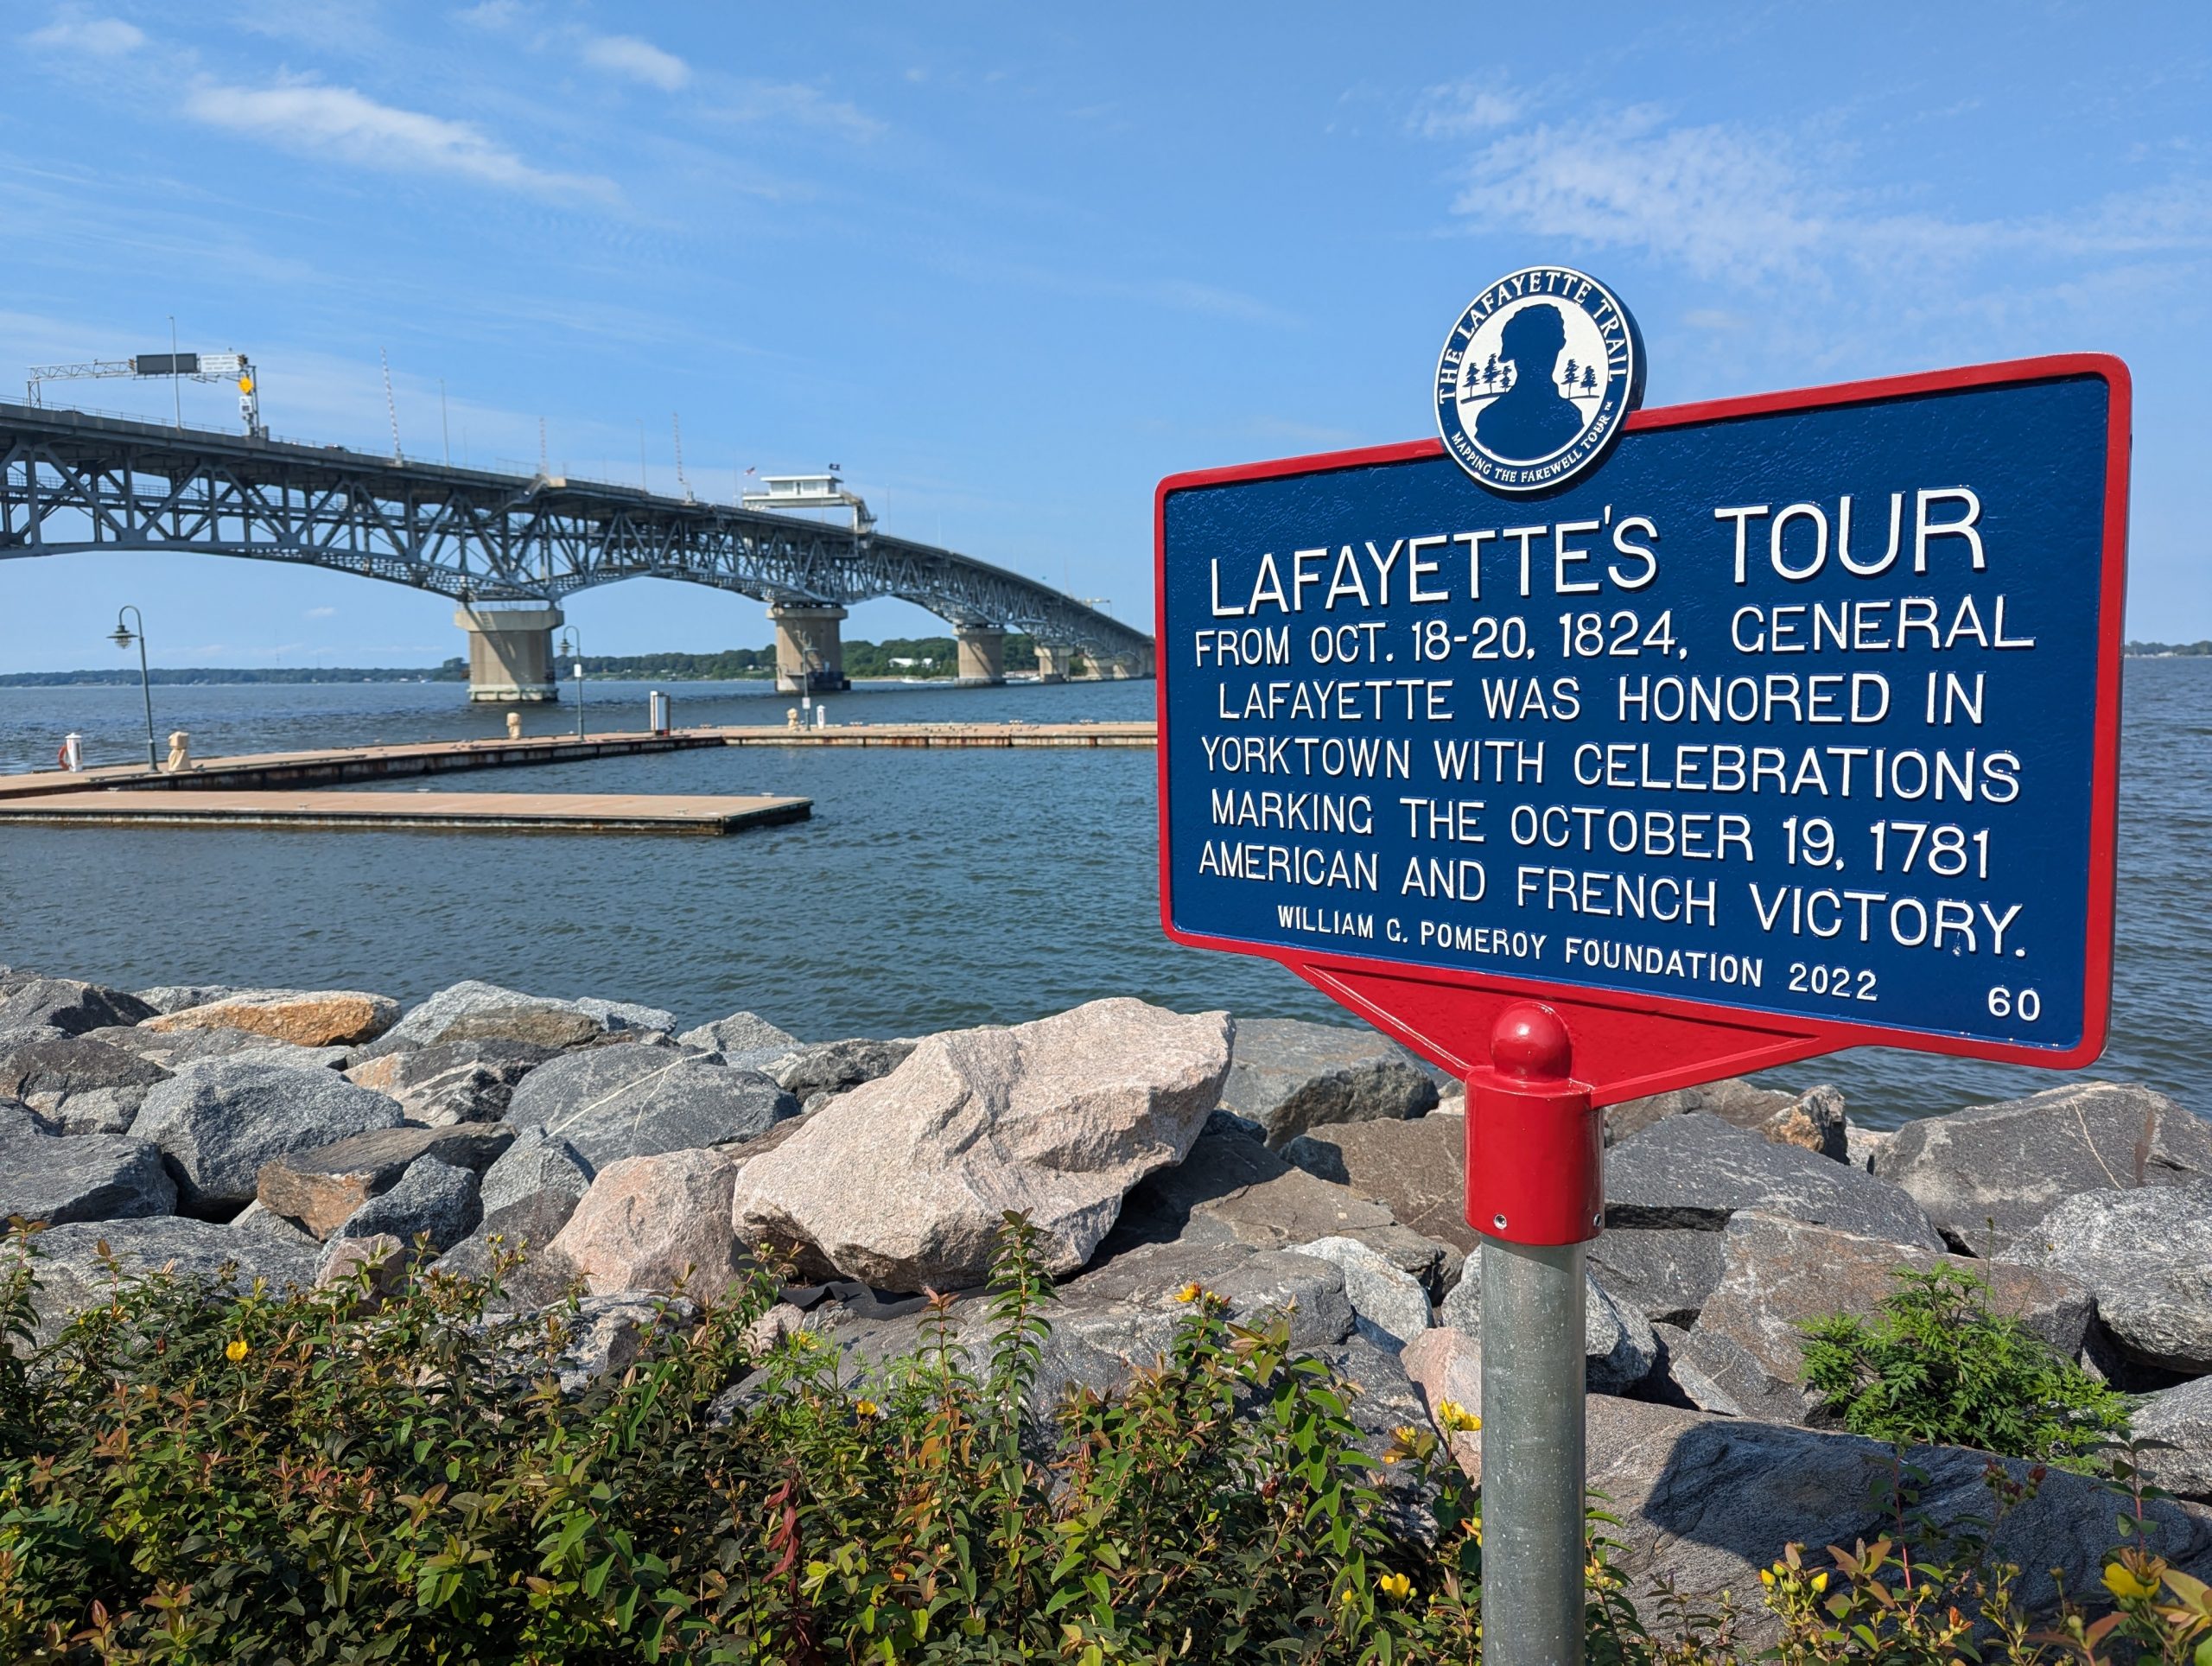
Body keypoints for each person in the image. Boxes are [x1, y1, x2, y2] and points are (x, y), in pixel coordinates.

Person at [1472, 302, 1586, 461]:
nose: (1544, 359)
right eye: (1537, 352)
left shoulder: (1569, 416)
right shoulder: (1492, 418)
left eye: (1547, 350)